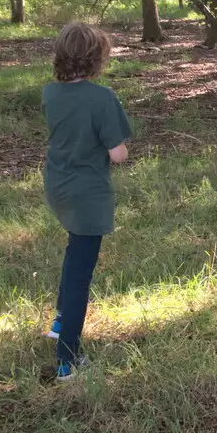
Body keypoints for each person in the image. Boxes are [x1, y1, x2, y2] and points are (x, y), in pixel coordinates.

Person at [42, 22, 131, 381]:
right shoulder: (102, 97)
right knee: (81, 274)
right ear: (97, 59)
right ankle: (67, 359)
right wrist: (120, 143)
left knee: (73, 250)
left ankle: (60, 320)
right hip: (87, 193)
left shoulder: (50, 92)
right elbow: (118, 154)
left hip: (57, 186)